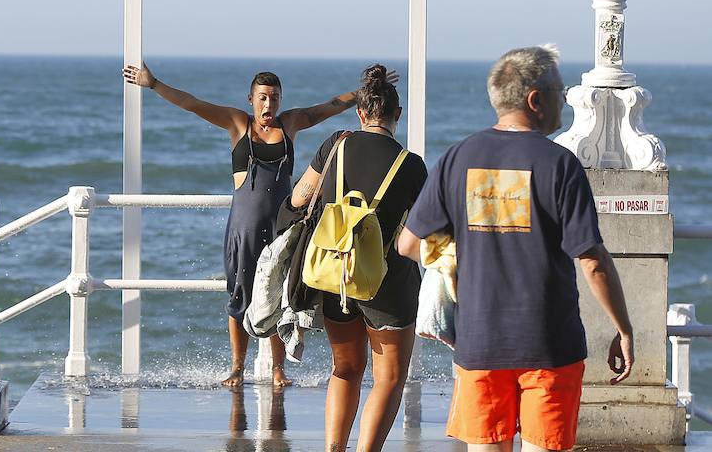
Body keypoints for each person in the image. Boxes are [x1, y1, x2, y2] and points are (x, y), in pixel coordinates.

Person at [398, 45, 634, 452]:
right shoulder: (560, 165)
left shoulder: (457, 159)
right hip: (550, 344)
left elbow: (408, 244)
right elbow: (591, 260)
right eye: (560, 93)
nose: (564, 101)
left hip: (480, 341)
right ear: (535, 100)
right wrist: (624, 328)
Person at [123, 61, 392, 388]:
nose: (269, 104)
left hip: (281, 227)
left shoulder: (289, 123)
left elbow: (330, 107)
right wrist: (154, 84)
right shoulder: (238, 124)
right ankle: (237, 368)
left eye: (275, 98)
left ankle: (279, 369)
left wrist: (363, 93)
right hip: (244, 229)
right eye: (263, 98)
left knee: (280, 296)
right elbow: (193, 104)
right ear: (251, 99)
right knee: (240, 299)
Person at [289, 64, 427, 452]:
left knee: (345, 369)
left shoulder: (337, 143)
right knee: (389, 378)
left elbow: (301, 197)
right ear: (396, 116)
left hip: (336, 274)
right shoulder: (411, 164)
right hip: (387, 280)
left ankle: (334, 448)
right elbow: (424, 228)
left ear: (361, 113)